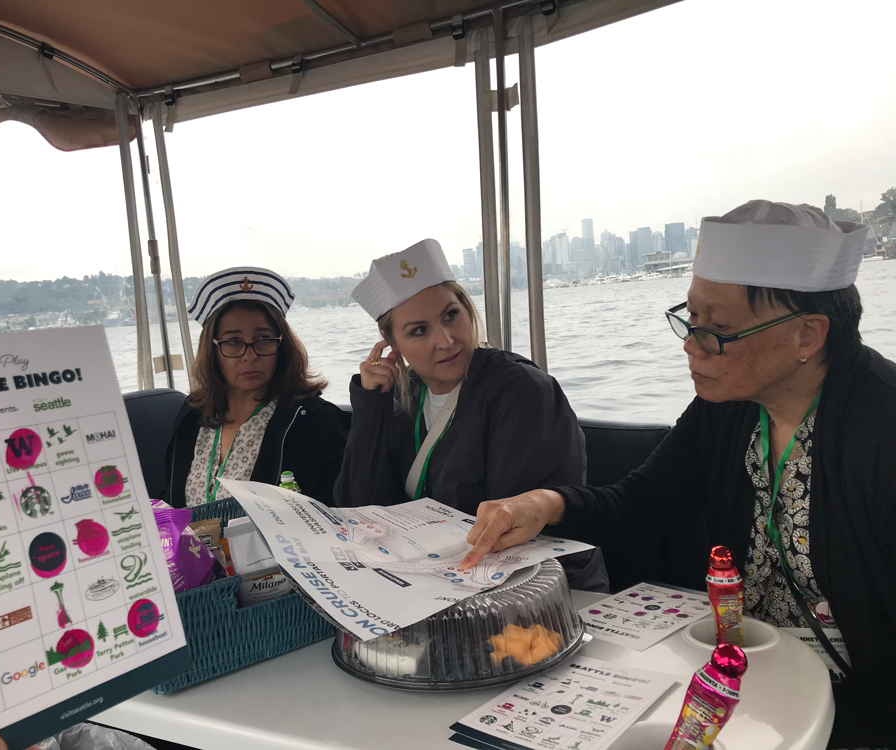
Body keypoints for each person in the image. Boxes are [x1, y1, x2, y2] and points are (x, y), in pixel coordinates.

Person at [461, 201, 894, 748]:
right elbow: (644, 504)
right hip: (746, 679)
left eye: (719, 329)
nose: (692, 345)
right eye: (690, 320)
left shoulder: (882, 428)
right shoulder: (729, 406)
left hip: (863, 707)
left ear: (808, 335)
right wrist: (547, 505)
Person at [333, 239, 600, 584]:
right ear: (393, 345)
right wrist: (371, 406)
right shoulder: (404, 400)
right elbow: (359, 512)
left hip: (536, 586)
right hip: (430, 581)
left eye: (450, 315)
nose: (445, 341)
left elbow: (516, 537)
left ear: (467, 309)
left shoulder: (522, 392)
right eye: (419, 330)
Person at [163, 267, 348, 506]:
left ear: (281, 346)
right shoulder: (192, 415)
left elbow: (335, 511)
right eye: (233, 342)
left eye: (263, 340)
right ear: (213, 350)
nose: (249, 356)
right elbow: (170, 501)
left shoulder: (315, 420)